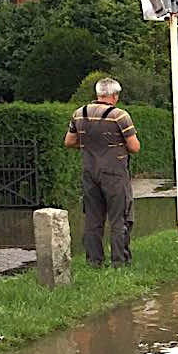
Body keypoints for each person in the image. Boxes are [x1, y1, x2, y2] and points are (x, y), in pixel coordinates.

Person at [64, 77, 140, 268]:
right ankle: (119, 262)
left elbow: (69, 142)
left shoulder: (79, 113)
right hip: (114, 173)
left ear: (98, 93)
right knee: (119, 218)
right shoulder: (120, 116)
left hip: (89, 172)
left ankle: (94, 262)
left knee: (93, 218)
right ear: (114, 96)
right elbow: (134, 147)